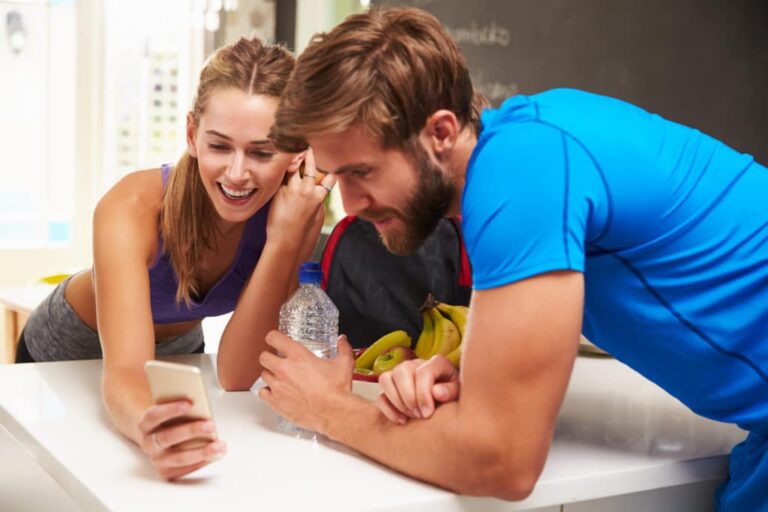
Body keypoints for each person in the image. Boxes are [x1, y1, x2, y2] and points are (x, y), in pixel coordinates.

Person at [257, 7, 768, 510]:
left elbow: (503, 462)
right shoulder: (522, 150)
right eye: (336, 176)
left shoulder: (521, 173)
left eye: (362, 172)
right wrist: (474, 385)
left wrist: (331, 409)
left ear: (439, 133)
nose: (349, 203)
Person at [16, 37, 336, 480]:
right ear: (191, 134)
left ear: (296, 154)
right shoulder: (130, 207)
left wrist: (283, 241)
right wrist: (153, 434)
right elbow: (125, 371)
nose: (237, 173)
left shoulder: (293, 215)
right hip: (65, 354)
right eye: (220, 146)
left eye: (262, 152)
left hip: (179, 356)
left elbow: (237, 375)